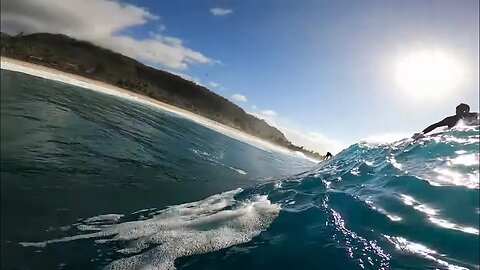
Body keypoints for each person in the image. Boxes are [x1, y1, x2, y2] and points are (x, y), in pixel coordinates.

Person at [413, 103, 479, 139]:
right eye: (458, 111)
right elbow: (435, 125)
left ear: (467, 111)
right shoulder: (450, 119)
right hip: (452, 137)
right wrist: (421, 133)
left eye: (464, 111)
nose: (461, 113)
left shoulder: (474, 115)